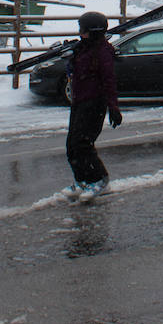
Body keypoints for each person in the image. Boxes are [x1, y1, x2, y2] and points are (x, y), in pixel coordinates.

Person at [63, 11, 122, 200]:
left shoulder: (102, 52)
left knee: (83, 144)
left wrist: (113, 108)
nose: (80, 33)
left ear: (93, 31)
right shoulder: (84, 48)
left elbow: (109, 81)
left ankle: (99, 180)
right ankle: (82, 180)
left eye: (83, 30)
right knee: (72, 146)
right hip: (79, 102)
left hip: (94, 103)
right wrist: (70, 56)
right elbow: (75, 70)